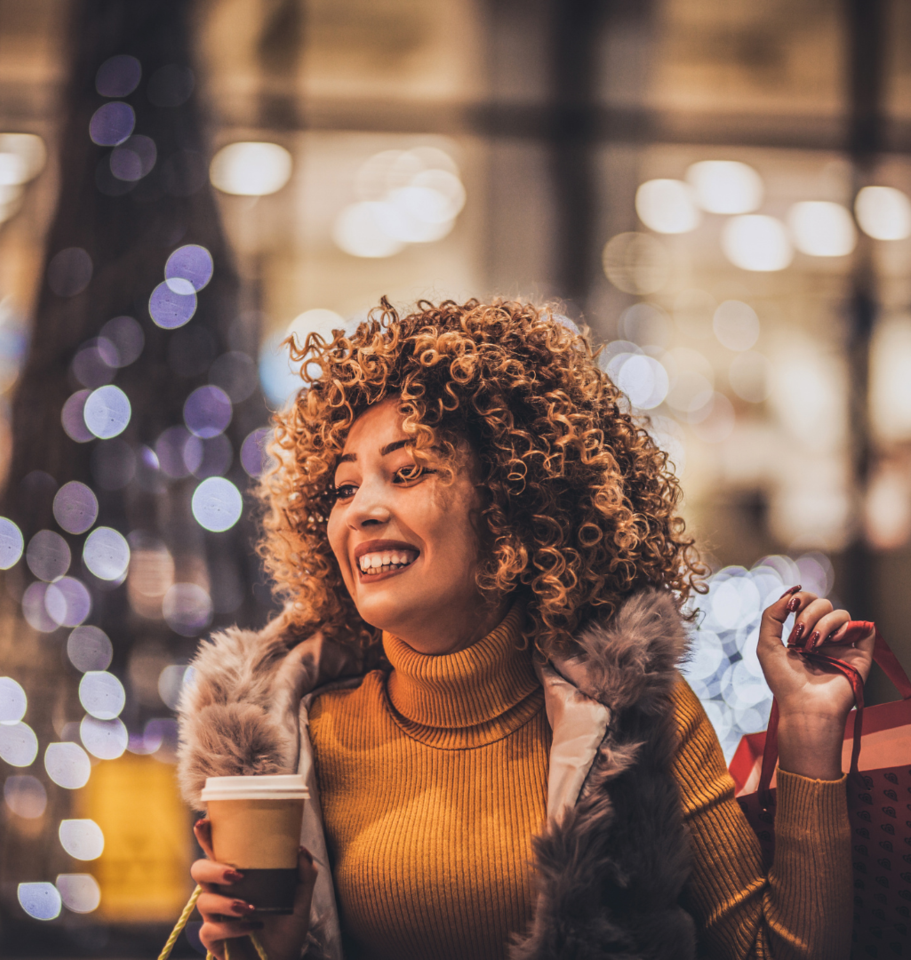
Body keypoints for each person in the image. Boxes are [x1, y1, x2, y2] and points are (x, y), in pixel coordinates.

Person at [178, 298, 873, 960]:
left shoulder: (636, 722)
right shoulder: (297, 742)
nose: (361, 510)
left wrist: (811, 732)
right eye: (343, 487)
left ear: (510, 517)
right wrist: (272, 948)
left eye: (407, 471)